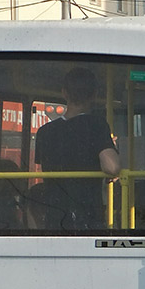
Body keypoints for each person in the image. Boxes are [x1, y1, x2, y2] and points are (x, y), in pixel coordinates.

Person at [33, 67, 120, 229]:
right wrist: (112, 151)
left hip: (54, 215)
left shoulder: (44, 132)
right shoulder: (97, 125)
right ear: (94, 95)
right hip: (87, 214)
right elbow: (112, 167)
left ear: (64, 93)